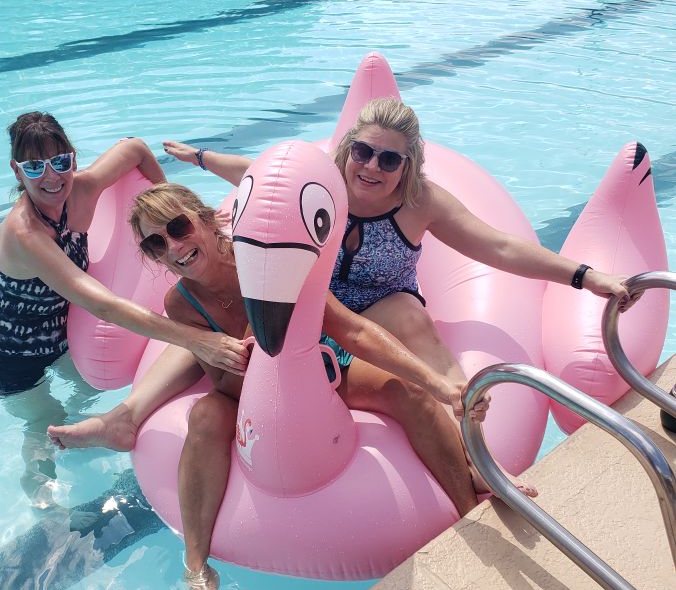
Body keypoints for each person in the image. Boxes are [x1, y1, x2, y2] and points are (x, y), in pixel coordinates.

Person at [50, 182, 492, 590]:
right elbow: (222, 385)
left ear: (204, 218)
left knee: (409, 395)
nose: (174, 247)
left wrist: (438, 382)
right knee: (204, 417)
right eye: (156, 244)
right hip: (251, 393)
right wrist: (243, 361)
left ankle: (469, 512)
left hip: (321, 363)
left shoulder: (265, 261)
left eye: (179, 228)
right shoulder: (182, 303)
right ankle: (197, 571)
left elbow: (351, 330)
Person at [159, 98, 638, 495]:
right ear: (347, 149)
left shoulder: (418, 203)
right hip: (317, 309)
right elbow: (251, 173)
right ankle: (130, 414)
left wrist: (584, 276)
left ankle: (475, 452)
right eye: (363, 152)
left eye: (389, 159)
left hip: (384, 306)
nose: (372, 167)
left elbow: (498, 246)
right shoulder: (321, 184)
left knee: (412, 319)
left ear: (407, 166)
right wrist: (199, 157)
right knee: (220, 335)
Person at [0, 113, 249, 510]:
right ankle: (43, 496)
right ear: (17, 169)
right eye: (34, 167)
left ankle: (106, 428)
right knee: (41, 423)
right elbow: (102, 304)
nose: (52, 178)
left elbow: (135, 147)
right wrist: (198, 340)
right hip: (7, 354)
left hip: (59, 338)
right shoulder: (24, 233)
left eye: (61, 162)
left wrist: (180, 219)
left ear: (72, 159)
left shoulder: (82, 189)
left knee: (87, 391)